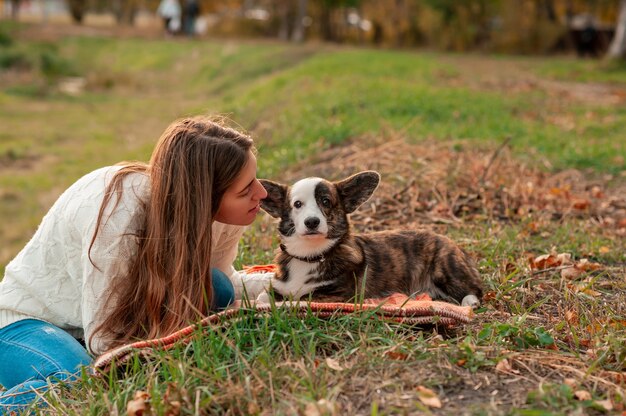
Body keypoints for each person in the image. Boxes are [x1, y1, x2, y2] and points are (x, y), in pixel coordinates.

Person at [0, 116, 273, 414]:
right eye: (245, 189)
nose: (261, 193)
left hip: (103, 317)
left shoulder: (220, 214)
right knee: (76, 379)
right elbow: (104, 343)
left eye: (255, 180)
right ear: (203, 196)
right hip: (27, 321)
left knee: (218, 286)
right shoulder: (119, 216)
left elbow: (227, 280)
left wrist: (297, 286)